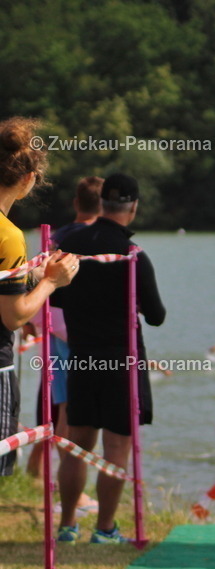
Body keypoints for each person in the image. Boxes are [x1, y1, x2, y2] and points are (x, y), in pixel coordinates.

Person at [52, 173, 166, 544]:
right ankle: (104, 529)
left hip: (81, 358)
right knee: (116, 449)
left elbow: (54, 298)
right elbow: (157, 314)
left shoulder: (70, 245)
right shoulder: (132, 254)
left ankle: (68, 525)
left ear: (101, 204)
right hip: (122, 362)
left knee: (75, 445)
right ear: (133, 207)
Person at [0, 117, 79, 480]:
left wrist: (29, 274)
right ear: (29, 180)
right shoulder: (9, 236)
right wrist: (51, 282)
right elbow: (14, 316)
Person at [27, 176, 103, 482]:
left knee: (59, 407)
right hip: (80, 333)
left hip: (52, 326)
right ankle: (66, 483)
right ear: (104, 205)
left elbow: (37, 277)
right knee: (74, 412)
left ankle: (44, 476)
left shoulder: (57, 237)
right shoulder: (97, 239)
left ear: (76, 202)